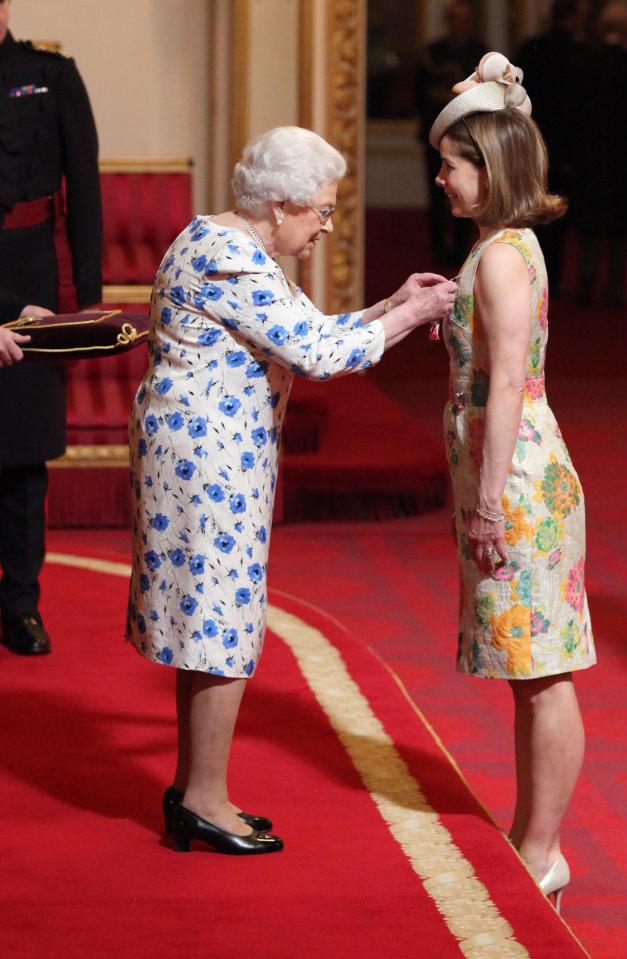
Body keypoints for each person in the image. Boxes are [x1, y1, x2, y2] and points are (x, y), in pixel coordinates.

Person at [126, 126, 457, 855]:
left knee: (206, 625)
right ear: (279, 205)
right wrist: (413, 316)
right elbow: (314, 354)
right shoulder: (230, 259)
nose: (327, 226)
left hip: (208, 454)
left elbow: (305, 329)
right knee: (219, 628)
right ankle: (206, 800)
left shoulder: (233, 243)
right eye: (322, 211)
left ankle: (193, 791)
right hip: (208, 463)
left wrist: (390, 303)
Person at [428, 53, 596, 910]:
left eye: (451, 163)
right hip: (516, 467)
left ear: (487, 168)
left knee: (544, 671)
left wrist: (489, 503)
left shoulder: (497, 257)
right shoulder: (502, 246)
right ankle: (534, 837)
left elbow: (501, 392)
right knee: (533, 670)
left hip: (519, 478)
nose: (440, 177)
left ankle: (542, 848)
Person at [0, 0, 103, 656]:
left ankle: (20, 605)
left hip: (34, 283)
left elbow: (84, 189)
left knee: (21, 459)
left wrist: (83, 307)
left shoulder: (51, 73)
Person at [571, 1, 627, 307]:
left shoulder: (584, 63)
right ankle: (615, 287)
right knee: (621, 224)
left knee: (590, 222)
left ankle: (586, 280)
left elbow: (574, 114)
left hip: (590, 156)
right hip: (624, 157)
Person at [517, 1, 586, 297]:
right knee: (556, 216)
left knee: (529, 211)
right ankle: (550, 279)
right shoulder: (579, 54)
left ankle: (528, 274)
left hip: (531, 142)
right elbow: (580, 108)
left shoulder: (531, 48)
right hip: (564, 147)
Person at [415, 0, 486, 268]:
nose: (458, 25)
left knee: (468, 193)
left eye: (463, 19)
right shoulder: (433, 52)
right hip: (435, 135)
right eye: (454, 19)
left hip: (468, 137)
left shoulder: (479, 53)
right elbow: (419, 94)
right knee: (437, 195)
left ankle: (460, 249)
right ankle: (437, 252)